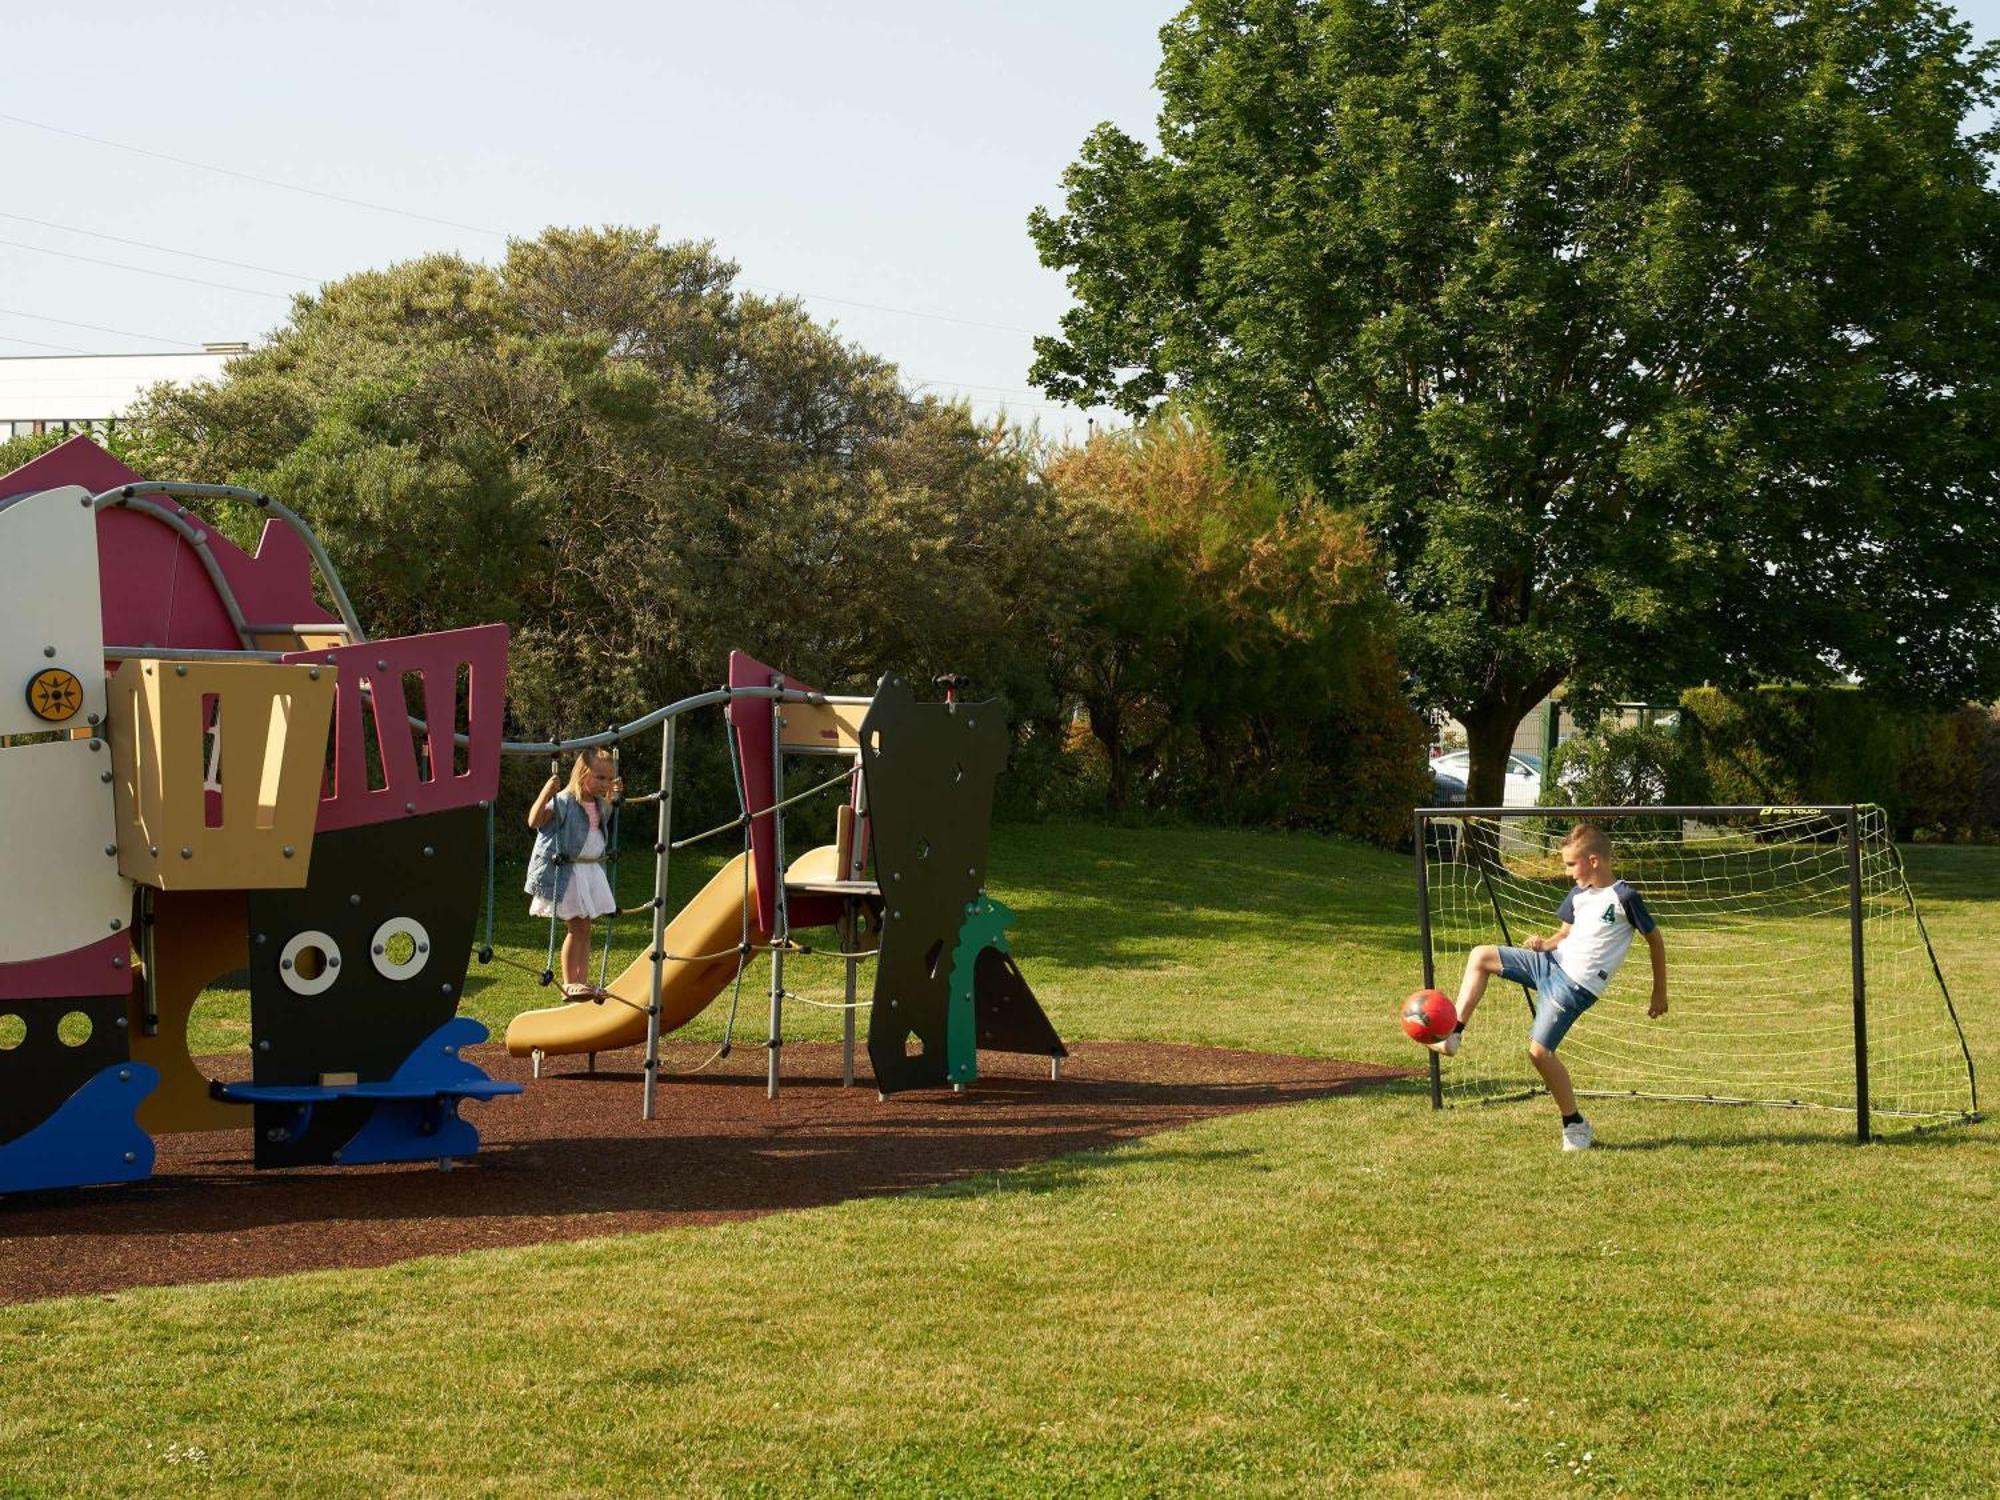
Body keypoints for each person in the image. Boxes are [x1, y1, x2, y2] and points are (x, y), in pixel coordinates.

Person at [1430, 822, 1667, 1150]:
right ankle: (1453, 1033)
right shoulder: (1578, 895)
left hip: (1575, 986)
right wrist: (1545, 943)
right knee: (1481, 956)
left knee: (1539, 1053)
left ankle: (1575, 1125)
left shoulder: (1624, 897)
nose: (1568, 872)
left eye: (1571, 864)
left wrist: (1659, 992)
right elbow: (1565, 934)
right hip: (1549, 963)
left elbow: (1655, 941)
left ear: (1594, 861)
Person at [525, 748, 623, 995]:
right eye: (600, 777)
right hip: (568, 873)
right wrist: (547, 792)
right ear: (582, 774)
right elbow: (534, 821)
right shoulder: (565, 801)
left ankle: (582, 981)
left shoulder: (599, 804)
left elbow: (600, 824)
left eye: (609, 779)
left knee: (585, 929)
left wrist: (612, 796)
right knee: (576, 928)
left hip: (589, 871)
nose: (605, 783)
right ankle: (570, 983)